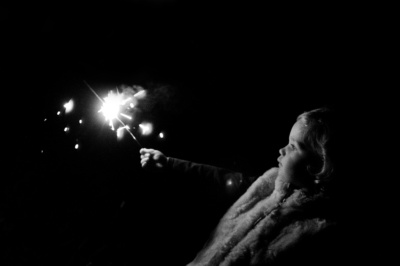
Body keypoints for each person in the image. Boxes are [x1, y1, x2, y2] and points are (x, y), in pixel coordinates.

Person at [139, 107, 347, 266]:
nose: (282, 150)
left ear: (318, 166)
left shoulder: (320, 231)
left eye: (293, 146)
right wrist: (169, 164)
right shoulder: (269, 184)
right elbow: (222, 178)